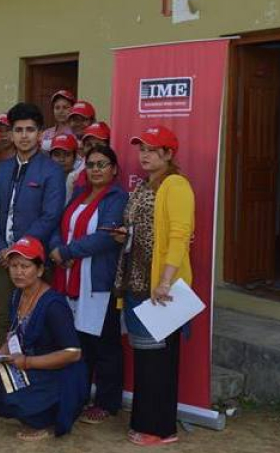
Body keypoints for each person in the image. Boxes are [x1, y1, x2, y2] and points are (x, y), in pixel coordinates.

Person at [113, 125, 194, 446]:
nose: (144, 155)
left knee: (160, 361)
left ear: (169, 154)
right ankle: (144, 422)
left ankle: (161, 428)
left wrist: (165, 281)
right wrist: (124, 234)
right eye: (141, 148)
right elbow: (142, 230)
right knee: (146, 359)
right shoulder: (144, 186)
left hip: (160, 287)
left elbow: (180, 235)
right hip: (136, 282)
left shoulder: (176, 186)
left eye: (152, 149)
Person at [0, 236, 88, 441]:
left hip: (58, 374)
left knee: (14, 392)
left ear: (39, 270)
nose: (18, 272)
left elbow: (73, 353)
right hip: (31, 364)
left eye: (25, 266)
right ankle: (34, 414)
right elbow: (13, 334)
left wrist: (28, 362)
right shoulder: (17, 295)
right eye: (13, 265)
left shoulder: (54, 305)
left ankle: (46, 420)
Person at [48, 145, 127, 424]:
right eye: (91, 164)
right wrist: (57, 249)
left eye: (102, 164)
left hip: (97, 283)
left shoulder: (117, 197)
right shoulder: (80, 194)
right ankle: (79, 396)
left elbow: (106, 237)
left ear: (114, 169)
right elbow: (59, 227)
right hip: (69, 279)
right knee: (79, 343)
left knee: (105, 345)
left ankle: (107, 402)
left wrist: (67, 252)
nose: (95, 169)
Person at [0, 102, 66, 335]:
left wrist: (19, 251)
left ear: (40, 134)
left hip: (34, 260)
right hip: (4, 260)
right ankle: (5, 371)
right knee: (4, 318)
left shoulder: (52, 170)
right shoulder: (2, 168)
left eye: (30, 130)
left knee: (35, 319)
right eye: (19, 130)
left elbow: (50, 216)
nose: (24, 136)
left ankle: (33, 370)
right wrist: (2, 248)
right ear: (11, 134)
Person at [67, 122, 112, 195]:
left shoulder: (119, 171)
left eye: (98, 145)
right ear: (83, 148)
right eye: (89, 145)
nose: (93, 149)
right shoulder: (73, 178)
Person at [49, 134, 79, 203]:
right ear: (50, 157)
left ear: (75, 157)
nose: (61, 159)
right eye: (57, 155)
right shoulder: (44, 179)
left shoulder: (79, 181)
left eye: (67, 154)